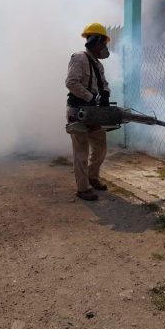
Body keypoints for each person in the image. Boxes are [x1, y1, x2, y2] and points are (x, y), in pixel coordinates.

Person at [65, 23, 111, 201]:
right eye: (103, 43)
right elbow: (71, 82)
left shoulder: (98, 65)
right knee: (81, 150)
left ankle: (93, 177)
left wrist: (105, 93)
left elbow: (103, 84)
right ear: (95, 41)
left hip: (93, 112)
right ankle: (83, 188)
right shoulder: (79, 58)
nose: (105, 48)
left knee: (100, 146)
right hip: (77, 111)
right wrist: (90, 97)